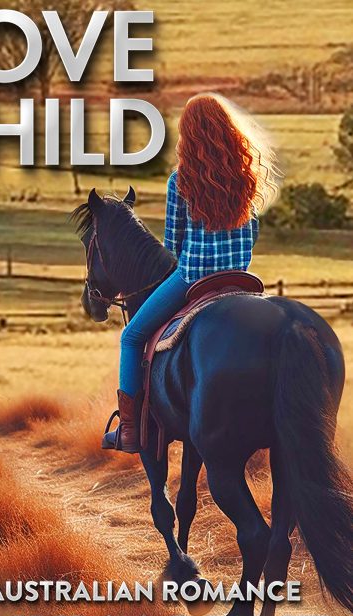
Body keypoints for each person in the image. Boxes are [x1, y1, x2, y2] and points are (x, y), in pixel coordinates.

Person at [103, 92, 281, 454]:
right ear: (229, 129)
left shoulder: (180, 180)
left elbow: (172, 241)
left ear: (190, 134)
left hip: (194, 278)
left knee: (132, 337)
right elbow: (254, 229)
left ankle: (131, 430)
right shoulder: (248, 173)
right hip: (241, 280)